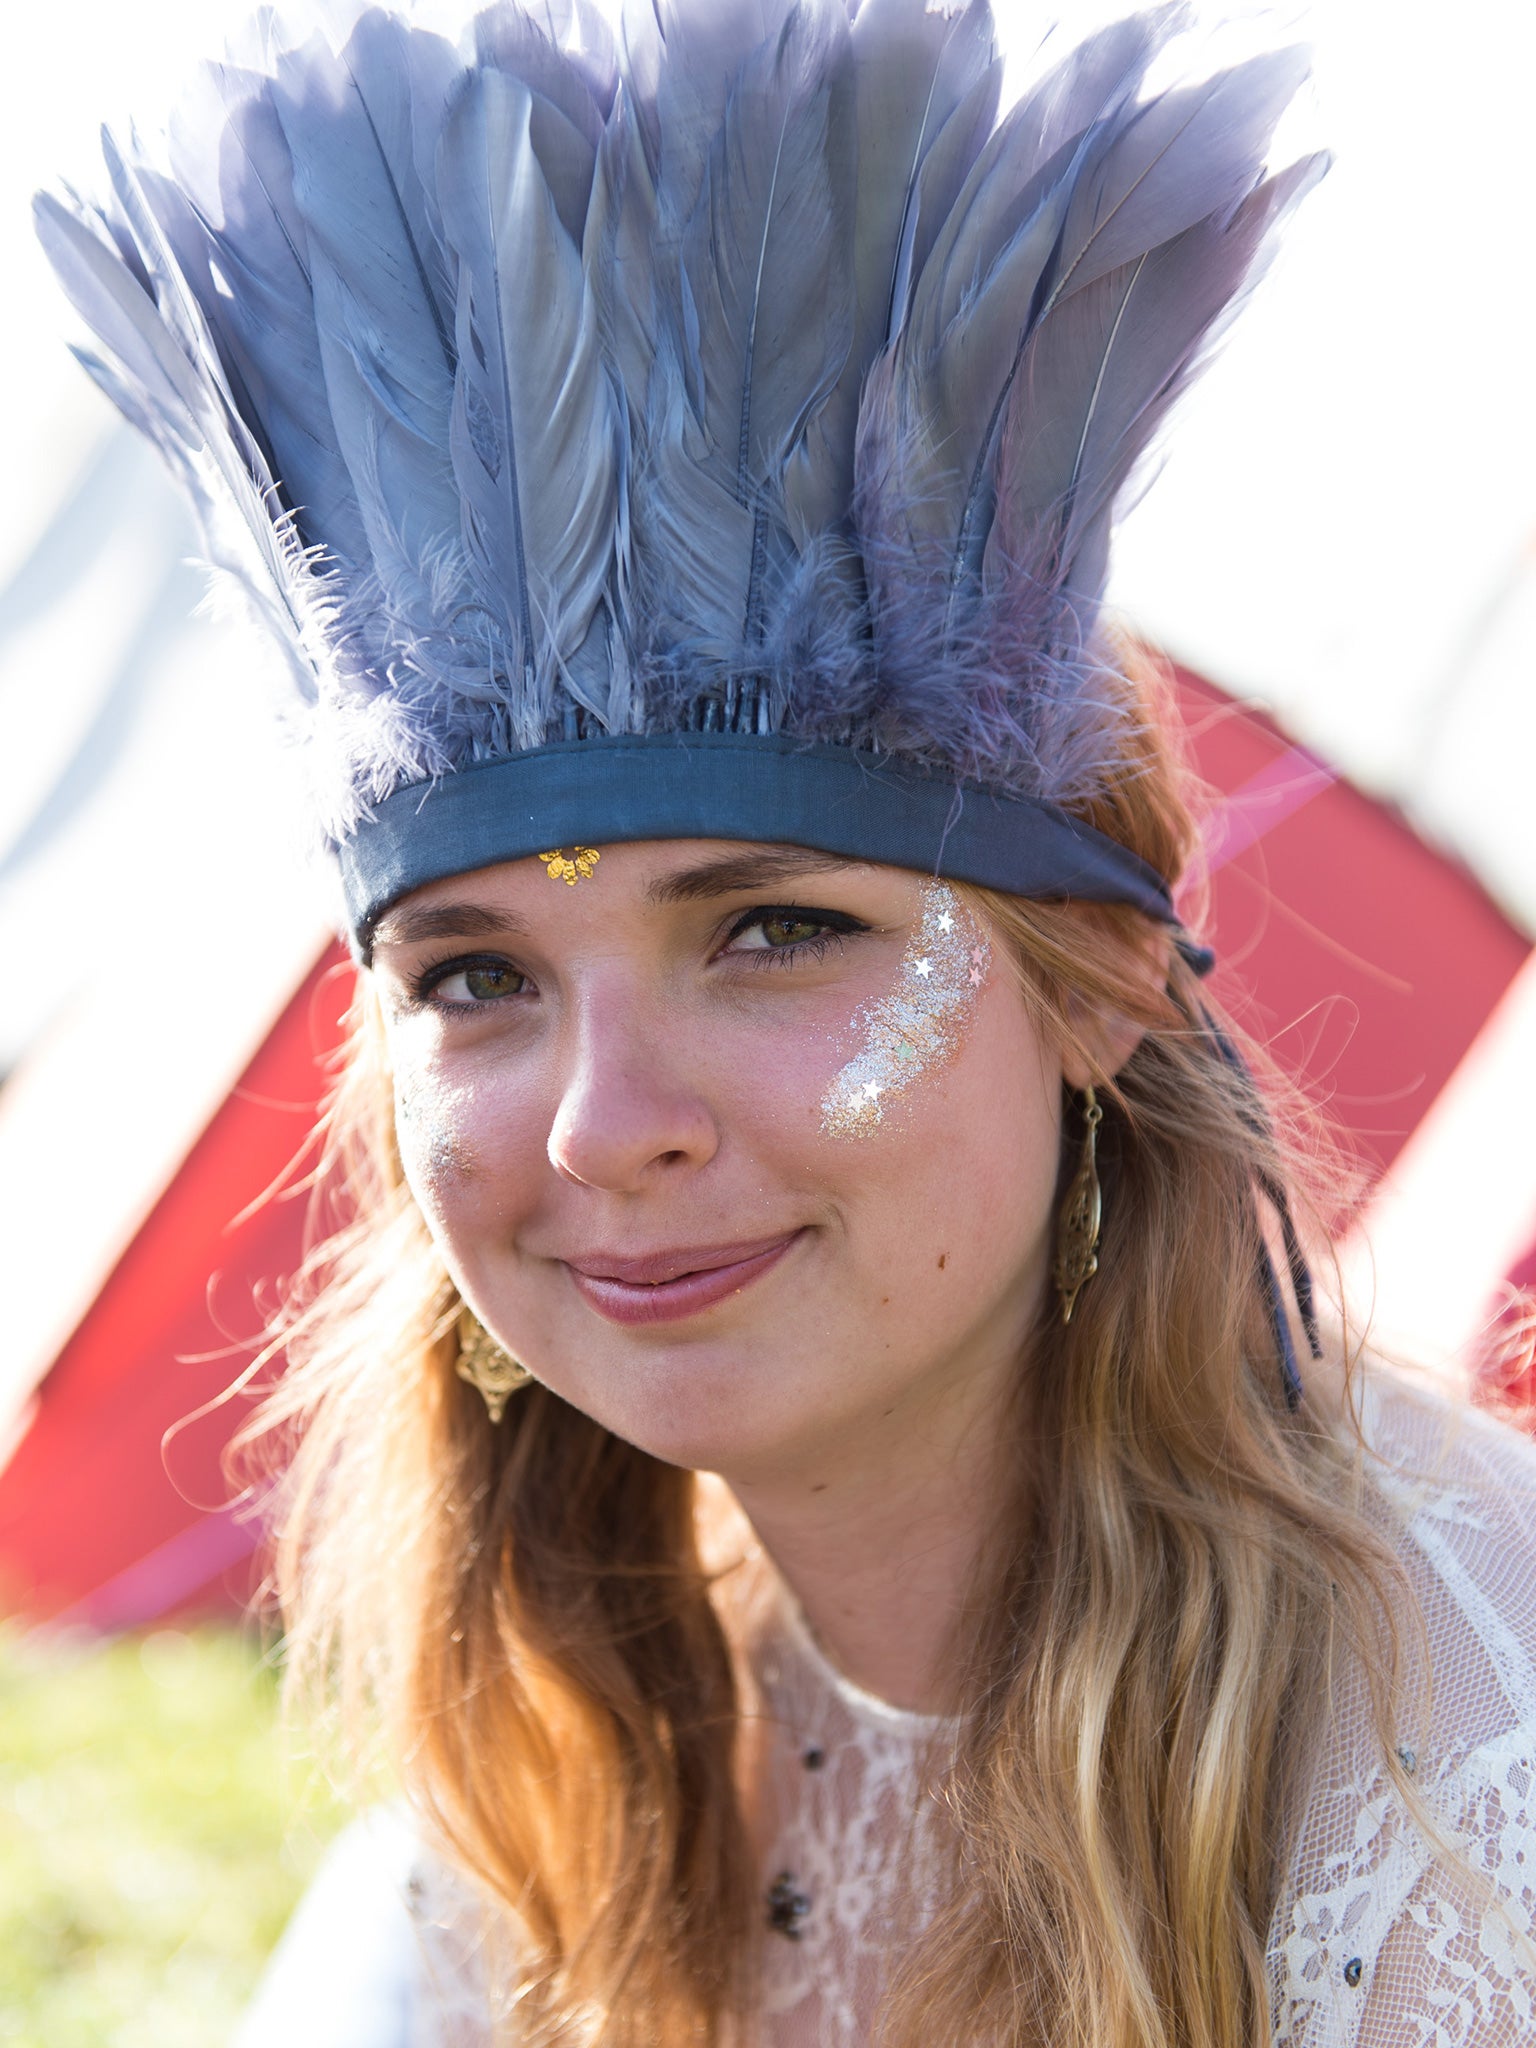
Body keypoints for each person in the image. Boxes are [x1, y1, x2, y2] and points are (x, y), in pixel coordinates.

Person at [39, 2, 1536, 2043]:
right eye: (475, 976)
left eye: (772, 930)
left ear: (1097, 980)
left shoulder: (1466, 1784)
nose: (598, 1124)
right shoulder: (561, 1724)